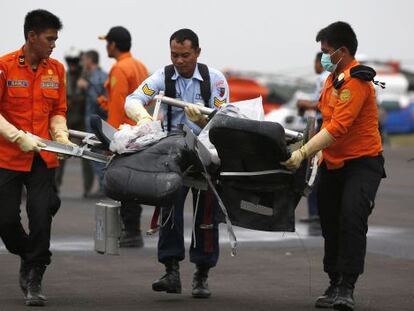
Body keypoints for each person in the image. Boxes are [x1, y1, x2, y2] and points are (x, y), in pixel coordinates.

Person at [282, 22, 386, 311]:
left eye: (326, 51)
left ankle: (346, 286)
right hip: (333, 161)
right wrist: (306, 147)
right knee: (330, 221)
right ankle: (333, 279)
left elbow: (339, 127)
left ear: (342, 51)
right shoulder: (333, 78)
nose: (323, 56)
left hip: (362, 162)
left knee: (352, 218)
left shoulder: (356, 80)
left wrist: (303, 153)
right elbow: (325, 119)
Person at [125, 28, 229, 298]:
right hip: (173, 155)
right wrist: (144, 118)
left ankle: (202, 273)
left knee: (205, 216)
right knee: (169, 209)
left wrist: (204, 122)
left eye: (185, 55)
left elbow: (225, 119)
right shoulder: (162, 77)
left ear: (197, 52)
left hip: (208, 155)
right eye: (174, 55)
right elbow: (134, 99)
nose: (179, 61)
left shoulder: (215, 81)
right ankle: (171, 270)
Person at [0, 9, 75, 306]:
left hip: (43, 157)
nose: (54, 45)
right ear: (32, 37)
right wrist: (19, 137)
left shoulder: (56, 69)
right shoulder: (5, 67)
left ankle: (35, 273)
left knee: (41, 213)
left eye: (56, 39)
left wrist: (61, 136)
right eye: (49, 39)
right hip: (8, 156)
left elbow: (58, 110)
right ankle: (28, 252)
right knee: (5, 220)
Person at [98, 26, 148, 248]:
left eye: (107, 42)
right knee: (134, 184)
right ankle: (132, 230)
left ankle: (131, 231)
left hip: (125, 135)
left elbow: (119, 106)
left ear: (113, 45)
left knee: (124, 185)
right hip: (142, 132)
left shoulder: (119, 68)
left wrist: (111, 139)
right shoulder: (139, 66)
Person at [55, 47, 94, 197]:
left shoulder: (87, 76)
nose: (72, 64)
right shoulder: (64, 76)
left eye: (75, 61)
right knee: (61, 152)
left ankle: (88, 188)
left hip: (82, 118)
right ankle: (55, 184)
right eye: (70, 61)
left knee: (87, 154)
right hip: (67, 118)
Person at [296, 52, 329, 223]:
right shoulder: (330, 77)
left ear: (320, 62)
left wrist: (303, 104)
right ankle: (319, 211)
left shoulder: (323, 78)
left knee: (313, 169)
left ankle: (314, 212)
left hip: (322, 126)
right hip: (325, 126)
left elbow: (321, 104)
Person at [77, 50, 108, 196]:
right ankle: (103, 186)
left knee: (97, 156)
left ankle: (104, 187)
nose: (83, 63)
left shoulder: (95, 78)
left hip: (95, 124)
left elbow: (99, 101)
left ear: (90, 60)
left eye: (84, 60)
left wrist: (86, 87)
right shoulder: (103, 75)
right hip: (98, 123)